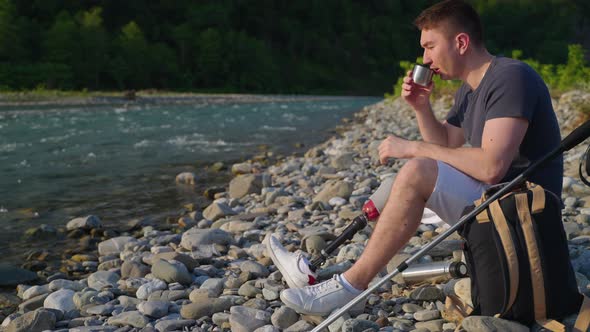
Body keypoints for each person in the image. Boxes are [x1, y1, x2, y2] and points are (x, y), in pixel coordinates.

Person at [266, 0, 563, 317]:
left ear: (460, 42)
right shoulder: (469, 90)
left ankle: (351, 286)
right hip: (497, 204)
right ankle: (315, 268)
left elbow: (491, 168)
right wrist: (421, 107)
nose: (425, 58)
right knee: (395, 185)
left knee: (417, 170)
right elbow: (447, 143)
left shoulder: (510, 78)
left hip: (525, 215)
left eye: (430, 46)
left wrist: (415, 148)